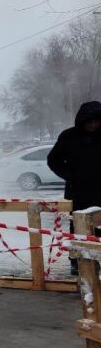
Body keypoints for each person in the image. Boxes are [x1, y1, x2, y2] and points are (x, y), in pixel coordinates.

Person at [48, 101, 101, 275]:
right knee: (77, 228)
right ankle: (77, 261)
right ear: (83, 120)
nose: (94, 125)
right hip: (78, 191)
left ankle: (97, 259)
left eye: (97, 121)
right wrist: (70, 176)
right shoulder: (69, 136)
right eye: (90, 121)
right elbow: (53, 160)